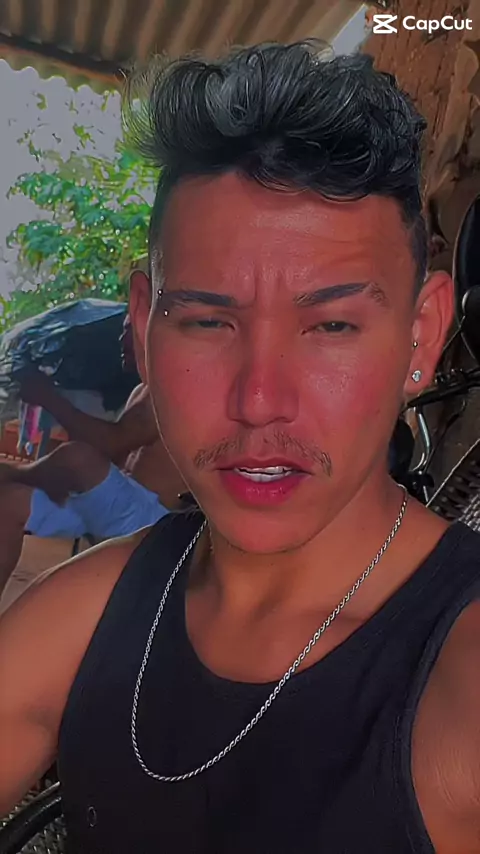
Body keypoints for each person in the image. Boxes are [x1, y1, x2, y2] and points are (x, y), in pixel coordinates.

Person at [0, 43, 478, 854]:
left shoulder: (460, 679)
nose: (259, 401)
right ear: (143, 328)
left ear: (421, 336)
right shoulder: (82, 615)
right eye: (207, 321)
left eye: (332, 325)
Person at [0, 312, 186, 594]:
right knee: (10, 501)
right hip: (113, 512)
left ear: (149, 331)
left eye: (128, 330)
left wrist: (49, 398)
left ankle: (15, 473)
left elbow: (111, 443)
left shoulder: (170, 390)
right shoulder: (141, 389)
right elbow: (110, 456)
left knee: (78, 458)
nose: (120, 339)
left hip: (152, 523)